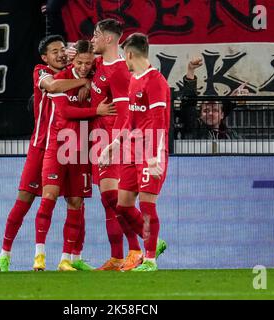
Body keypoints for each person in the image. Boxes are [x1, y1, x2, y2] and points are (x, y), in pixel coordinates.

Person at [0, 35, 90, 272]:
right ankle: (4, 255)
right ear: (44, 57)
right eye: (54, 51)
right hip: (41, 147)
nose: (60, 54)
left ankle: (72, 257)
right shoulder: (41, 72)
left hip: (69, 148)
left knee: (76, 202)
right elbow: (53, 86)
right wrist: (83, 82)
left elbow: (91, 59)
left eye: (62, 49)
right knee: (24, 200)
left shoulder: (74, 70)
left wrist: (84, 74)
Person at [34, 40, 116, 271]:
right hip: (57, 147)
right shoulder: (61, 80)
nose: (83, 66)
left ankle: (66, 260)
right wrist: (94, 108)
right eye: (79, 62)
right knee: (48, 198)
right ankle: (39, 255)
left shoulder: (97, 76)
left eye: (88, 63)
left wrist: (90, 80)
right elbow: (65, 111)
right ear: (73, 60)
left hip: (82, 151)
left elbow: (108, 61)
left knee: (76, 203)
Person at [99, 33, 169, 271]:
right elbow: (130, 119)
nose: (123, 60)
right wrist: (114, 145)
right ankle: (155, 243)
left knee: (148, 205)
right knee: (124, 205)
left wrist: (156, 156)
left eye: (123, 55)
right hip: (132, 151)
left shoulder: (155, 81)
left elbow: (160, 121)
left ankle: (149, 259)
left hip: (150, 153)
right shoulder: (133, 80)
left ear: (129, 54)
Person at [89, 18, 144, 271]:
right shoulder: (99, 64)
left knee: (115, 197)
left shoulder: (121, 71)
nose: (92, 39)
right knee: (107, 200)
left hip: (115, 142)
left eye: (96, 35)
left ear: (108, 38)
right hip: (99, 140)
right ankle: (117, 257)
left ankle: (140, 248)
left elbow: (125, 113)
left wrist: (113, 145)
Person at [180, 57, 247, 140]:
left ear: (222, 115)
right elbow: (188, 104)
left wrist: (232, 98)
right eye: (206, 111)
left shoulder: (231, 135)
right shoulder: (195, 131)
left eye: (215, 110)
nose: (210, 114)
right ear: (200, 115)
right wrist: (190, 71)